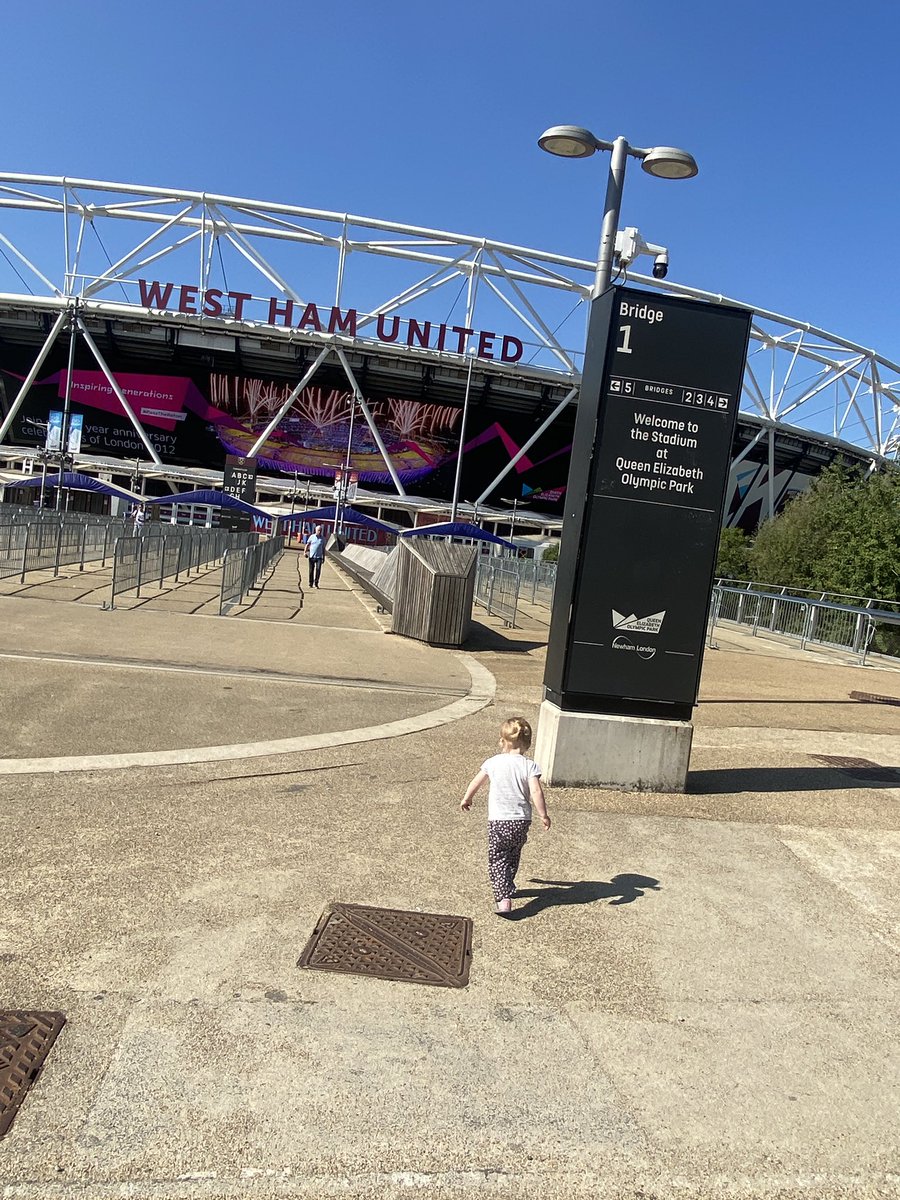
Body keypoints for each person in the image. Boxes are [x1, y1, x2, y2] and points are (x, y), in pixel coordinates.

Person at [460, 716, 550, 916]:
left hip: (499, 821)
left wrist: (467, 798)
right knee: (512, 855)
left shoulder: (493, 762)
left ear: (503, 741)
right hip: (521, 821)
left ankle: (503, 898)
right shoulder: (529, 765)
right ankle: (508, 884)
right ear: (527, 744)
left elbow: (476, 782)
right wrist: (543, 815)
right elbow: (536, 792)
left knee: (497, 859)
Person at [305, 523, 325, 588]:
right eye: (318, 530)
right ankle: (310, 583)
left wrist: (323, 557)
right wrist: (305, 552)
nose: (319, 532)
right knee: (311, 570)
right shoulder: (312, 537)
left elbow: (323, 549)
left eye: (320, 530)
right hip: (311, 556)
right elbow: (307, 545)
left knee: (318, 569)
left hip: (319, 557)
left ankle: (316, 583)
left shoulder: (323, 539)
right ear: (315, 530)